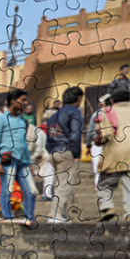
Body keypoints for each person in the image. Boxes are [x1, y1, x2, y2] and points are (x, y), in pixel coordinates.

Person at [0, 89, 38, 228]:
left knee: (31, 191)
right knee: (7, 190)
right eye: (23, 100)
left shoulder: (22, 121)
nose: (25, 103)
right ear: (12, 101)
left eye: (26, 100)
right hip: (7, 161)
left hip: (23, 162)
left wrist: (29, 164)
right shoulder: (0, 120)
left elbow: (24, 144)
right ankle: (8, 218)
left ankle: (29, 218)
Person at [94, 88, 130, 220]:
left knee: (104, 183)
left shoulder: (106, 112)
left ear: (112, 101)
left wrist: (98, 140)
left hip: (114, 153)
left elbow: (104, 134)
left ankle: (107, 206)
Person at [46, 85, 84, 223]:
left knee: (59, 185)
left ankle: (59, 215)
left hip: (53, 152)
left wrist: (51, 151)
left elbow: (48, 139)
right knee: (64, 186)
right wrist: (76, 154)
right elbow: (75, 135)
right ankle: (56, 215)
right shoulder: (75, 112)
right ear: (78, 98)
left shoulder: (53, 116)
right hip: (67, 151)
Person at [86, 94, 111, 187]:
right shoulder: (115, 114)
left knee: (97, 166)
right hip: (110, 143)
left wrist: (88, 144)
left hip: (98, 143)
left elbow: (89, 131)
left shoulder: (96, 114)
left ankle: (98, 186)